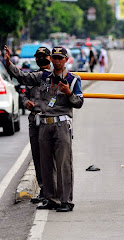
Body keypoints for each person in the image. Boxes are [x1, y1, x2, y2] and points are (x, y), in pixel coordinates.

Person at [4, 45, 84, 212]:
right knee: (46, 164)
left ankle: (65, 201)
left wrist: (69, 93)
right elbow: (23, 78)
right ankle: (51, 198)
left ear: (66, 60)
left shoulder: (73, 79)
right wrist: (8, 64)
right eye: (54, 58)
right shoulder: (44, 77)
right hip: (45, 124)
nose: (56, 61)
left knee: (63, 164)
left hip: (62, 124)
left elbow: (79, 103)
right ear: (51, 59)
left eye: (60, 58)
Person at [23, 47, 52, 204]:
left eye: (43, 56)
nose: (41, 59)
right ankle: (43, 190)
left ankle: (52, 192)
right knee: (37, 156)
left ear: (49, 58)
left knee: (49, 157)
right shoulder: (32, 78)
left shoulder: (53, 76)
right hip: (34, 120)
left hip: (49, 120)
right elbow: (24, 94)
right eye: (38, 57)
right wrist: (25, 102)